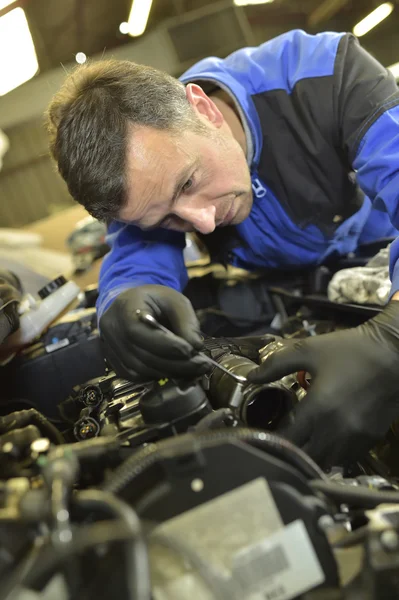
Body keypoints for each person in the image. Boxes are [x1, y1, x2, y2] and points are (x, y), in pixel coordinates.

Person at [46, 29, 399, 467]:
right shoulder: (148, 187)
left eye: (189, 182)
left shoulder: (324, 72)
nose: (203, 222)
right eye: (166, 218)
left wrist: (391, 339)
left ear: (204, 109)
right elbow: (139, 262)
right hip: (304, 292)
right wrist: (122, 305)